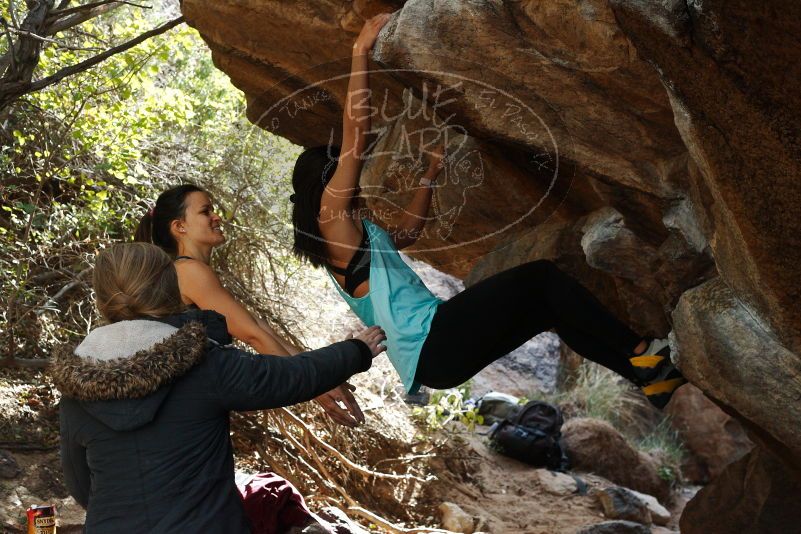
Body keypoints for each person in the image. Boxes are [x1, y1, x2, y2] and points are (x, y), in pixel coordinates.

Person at [288, 13, 686, 409]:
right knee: (543, 277)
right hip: (433, 343)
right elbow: (357, 130)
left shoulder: (353, 234)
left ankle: (649, 377)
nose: (351, 171)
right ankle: (645, 351)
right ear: (323, 184)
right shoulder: (330, 219)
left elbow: (407, 234)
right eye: (340, 167)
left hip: (437, 355)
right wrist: (360, 50)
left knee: (549, 307)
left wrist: (430, 175)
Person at [54, 242, 386, 533]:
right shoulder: (201, 363)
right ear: (170, 286)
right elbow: (287, 378)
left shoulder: (78, 386)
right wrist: (355, 351)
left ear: (101, 297)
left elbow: (83, 487)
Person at [134, 183, 365, 427]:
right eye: (205, 212)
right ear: (179, 226)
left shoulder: (187, 270)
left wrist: (319, 373)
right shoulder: (189, 271)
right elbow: (252, 335)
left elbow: (259, 327)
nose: (216, 217)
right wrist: (313, 383)